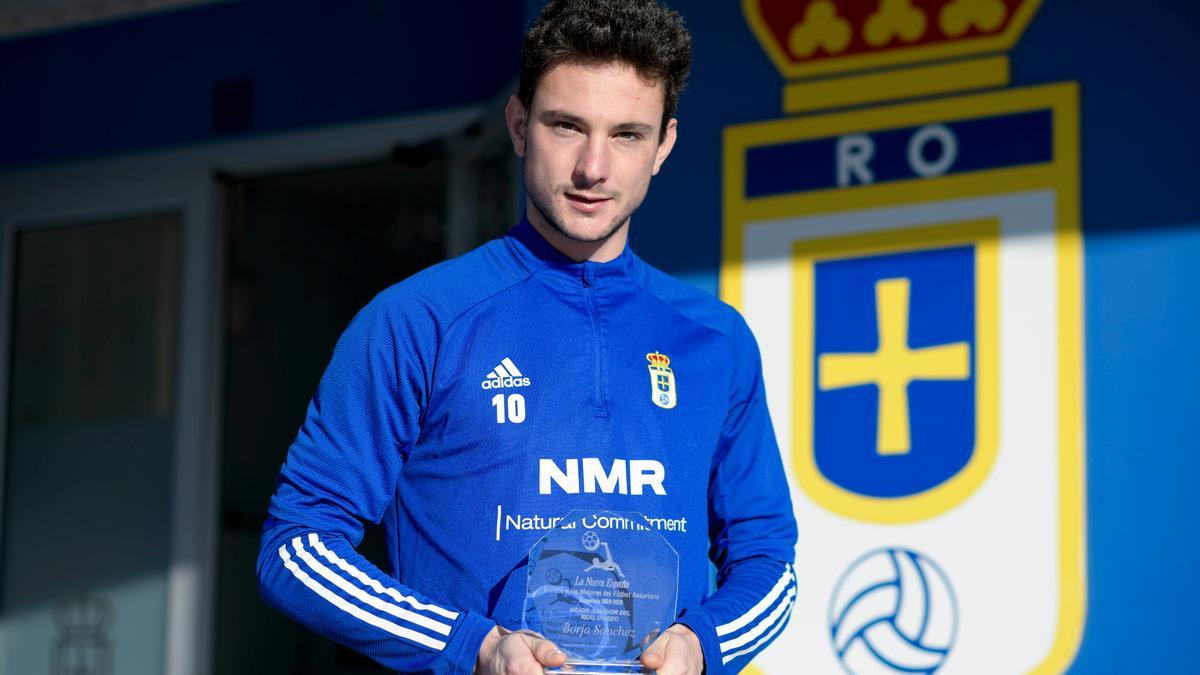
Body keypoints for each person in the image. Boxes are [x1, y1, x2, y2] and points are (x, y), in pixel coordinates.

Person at [256, 1, 798, 673]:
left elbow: (767, 560)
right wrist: (473, 646)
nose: (594, 167)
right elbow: (296, 549)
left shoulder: (716, 341)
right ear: (518, 126)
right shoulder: (416, 320)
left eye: (628, 134)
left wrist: (702, 642)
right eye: (567, 126)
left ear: (664, 146)